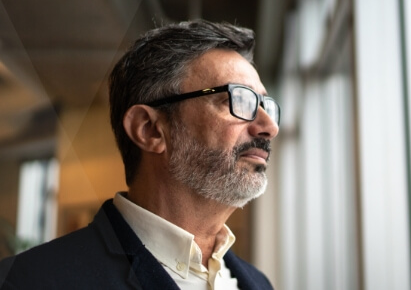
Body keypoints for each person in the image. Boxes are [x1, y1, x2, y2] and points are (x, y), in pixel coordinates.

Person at [0, 20, 278, 290]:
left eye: (265, 104)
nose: (270, 127)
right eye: (238, 100)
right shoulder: (28, 281)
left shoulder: (258, 283)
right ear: (150, 130)